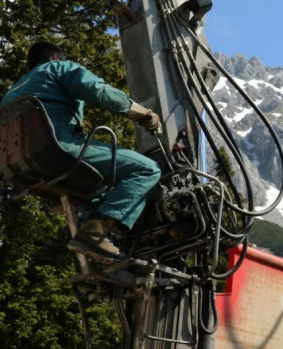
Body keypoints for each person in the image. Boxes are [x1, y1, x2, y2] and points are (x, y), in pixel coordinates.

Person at [0, 41, 162, 263]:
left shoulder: (12, 94)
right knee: (147, 169)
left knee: (101, 196)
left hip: (25, 170)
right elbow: (98, 91)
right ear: (56, 57)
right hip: (61, 149)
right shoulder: (57, 68)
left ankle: (101, 242)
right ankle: (95, 233)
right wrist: (143, 114)